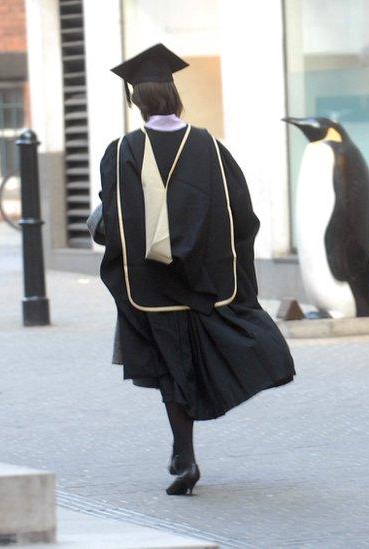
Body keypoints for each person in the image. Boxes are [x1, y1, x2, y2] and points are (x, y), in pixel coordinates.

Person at [96, 44, 295, 496]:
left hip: (150, 284)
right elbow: (241, 218)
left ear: (136, 100)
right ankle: (184, 449)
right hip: (208, 282)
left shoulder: (123, 151)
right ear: (174, 94)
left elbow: (114, 222)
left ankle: (183, 453)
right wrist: (234, 274)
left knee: (170, 366)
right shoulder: (210, 147)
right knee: (204, 353)